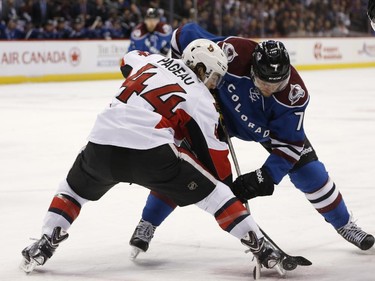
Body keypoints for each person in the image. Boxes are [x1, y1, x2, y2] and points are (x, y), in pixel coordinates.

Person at [20, 39, 285, 275]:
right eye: (213, 75)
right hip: (152, 154)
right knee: (216, 195)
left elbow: (128, 58)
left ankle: (45, 240)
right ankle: (260, 245)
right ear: (200, 67)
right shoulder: (202, 97)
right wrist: (229, 191)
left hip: (101, 142)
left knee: (72, 190)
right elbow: (215, 155)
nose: (214, 84)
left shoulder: (152, 60)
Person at [129, 23, 375, 257]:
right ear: (253, 69)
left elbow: (289, 146)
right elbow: (182, 35)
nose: (270, 88)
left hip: (266, 131)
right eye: (264, 82)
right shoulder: (233, 53)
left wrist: (264, 177)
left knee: (310, 172)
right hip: (215, 118)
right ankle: (147, 223)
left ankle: (345, 225)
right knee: (188, 167)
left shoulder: (294, 95)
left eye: (277, 83)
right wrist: (187, 81)